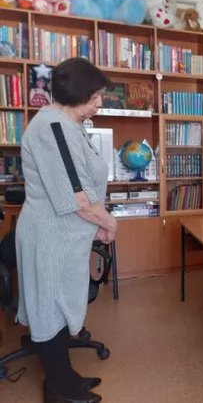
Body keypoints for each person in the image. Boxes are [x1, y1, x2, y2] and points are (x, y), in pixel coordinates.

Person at [15, 58, 117, 403]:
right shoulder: (52, 128)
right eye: (95, 96)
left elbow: (85, 183)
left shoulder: (71, 125)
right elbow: (77, 198)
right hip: (50, 235)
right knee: (50, 307)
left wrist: (98, 222)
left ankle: (66, 376)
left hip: (66, 234)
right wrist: (109, 223)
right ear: (77, 94)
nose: (100, 102)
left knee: (57, 306)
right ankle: (58, 388)